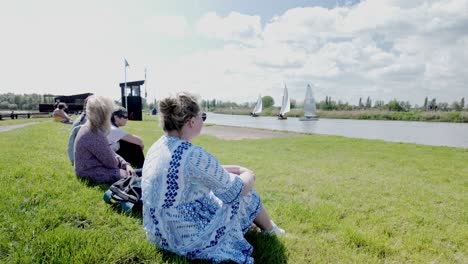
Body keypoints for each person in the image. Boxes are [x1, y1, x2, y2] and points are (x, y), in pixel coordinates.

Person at [142, 93, 284, 264]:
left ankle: (261, 226)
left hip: (159, 234)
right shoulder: (192, 154)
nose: (203, 120)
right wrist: (248, 174)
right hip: (185, 239)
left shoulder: (159, 146)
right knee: (246, 192)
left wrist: (235, 168)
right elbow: (233, 192)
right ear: (192, 122)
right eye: (203, 116)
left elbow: (197, 171)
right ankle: (270, 229)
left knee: (228, 182)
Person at [74, 95, 137, 184]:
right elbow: (112, 163)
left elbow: (110, 152)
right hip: (90, 173)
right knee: (130, 176)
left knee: (132, 172)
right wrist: (124, 166)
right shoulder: (94, 132)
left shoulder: (91, 127)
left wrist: (125, 164)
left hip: (89, 170)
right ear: (104, 114)